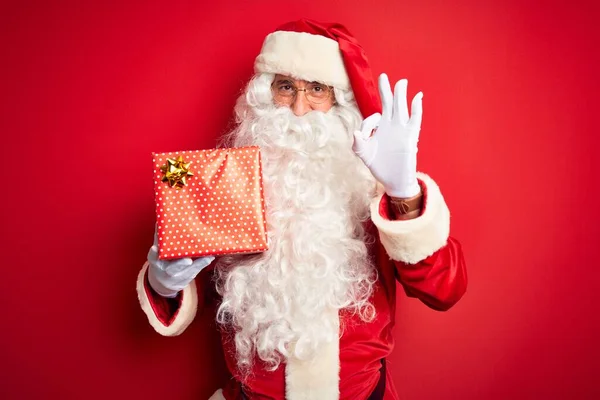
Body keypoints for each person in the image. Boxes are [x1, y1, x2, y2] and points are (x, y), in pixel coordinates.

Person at [136, 19, 467, 400]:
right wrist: (164, 281)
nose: (298, 108)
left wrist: (403, 192)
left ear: (338, 102)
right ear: (265, 94)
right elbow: (191, 281)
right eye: (285, 87)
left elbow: (446, 290)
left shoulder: (374, 186)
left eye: (316, 90)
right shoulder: (223, 180)